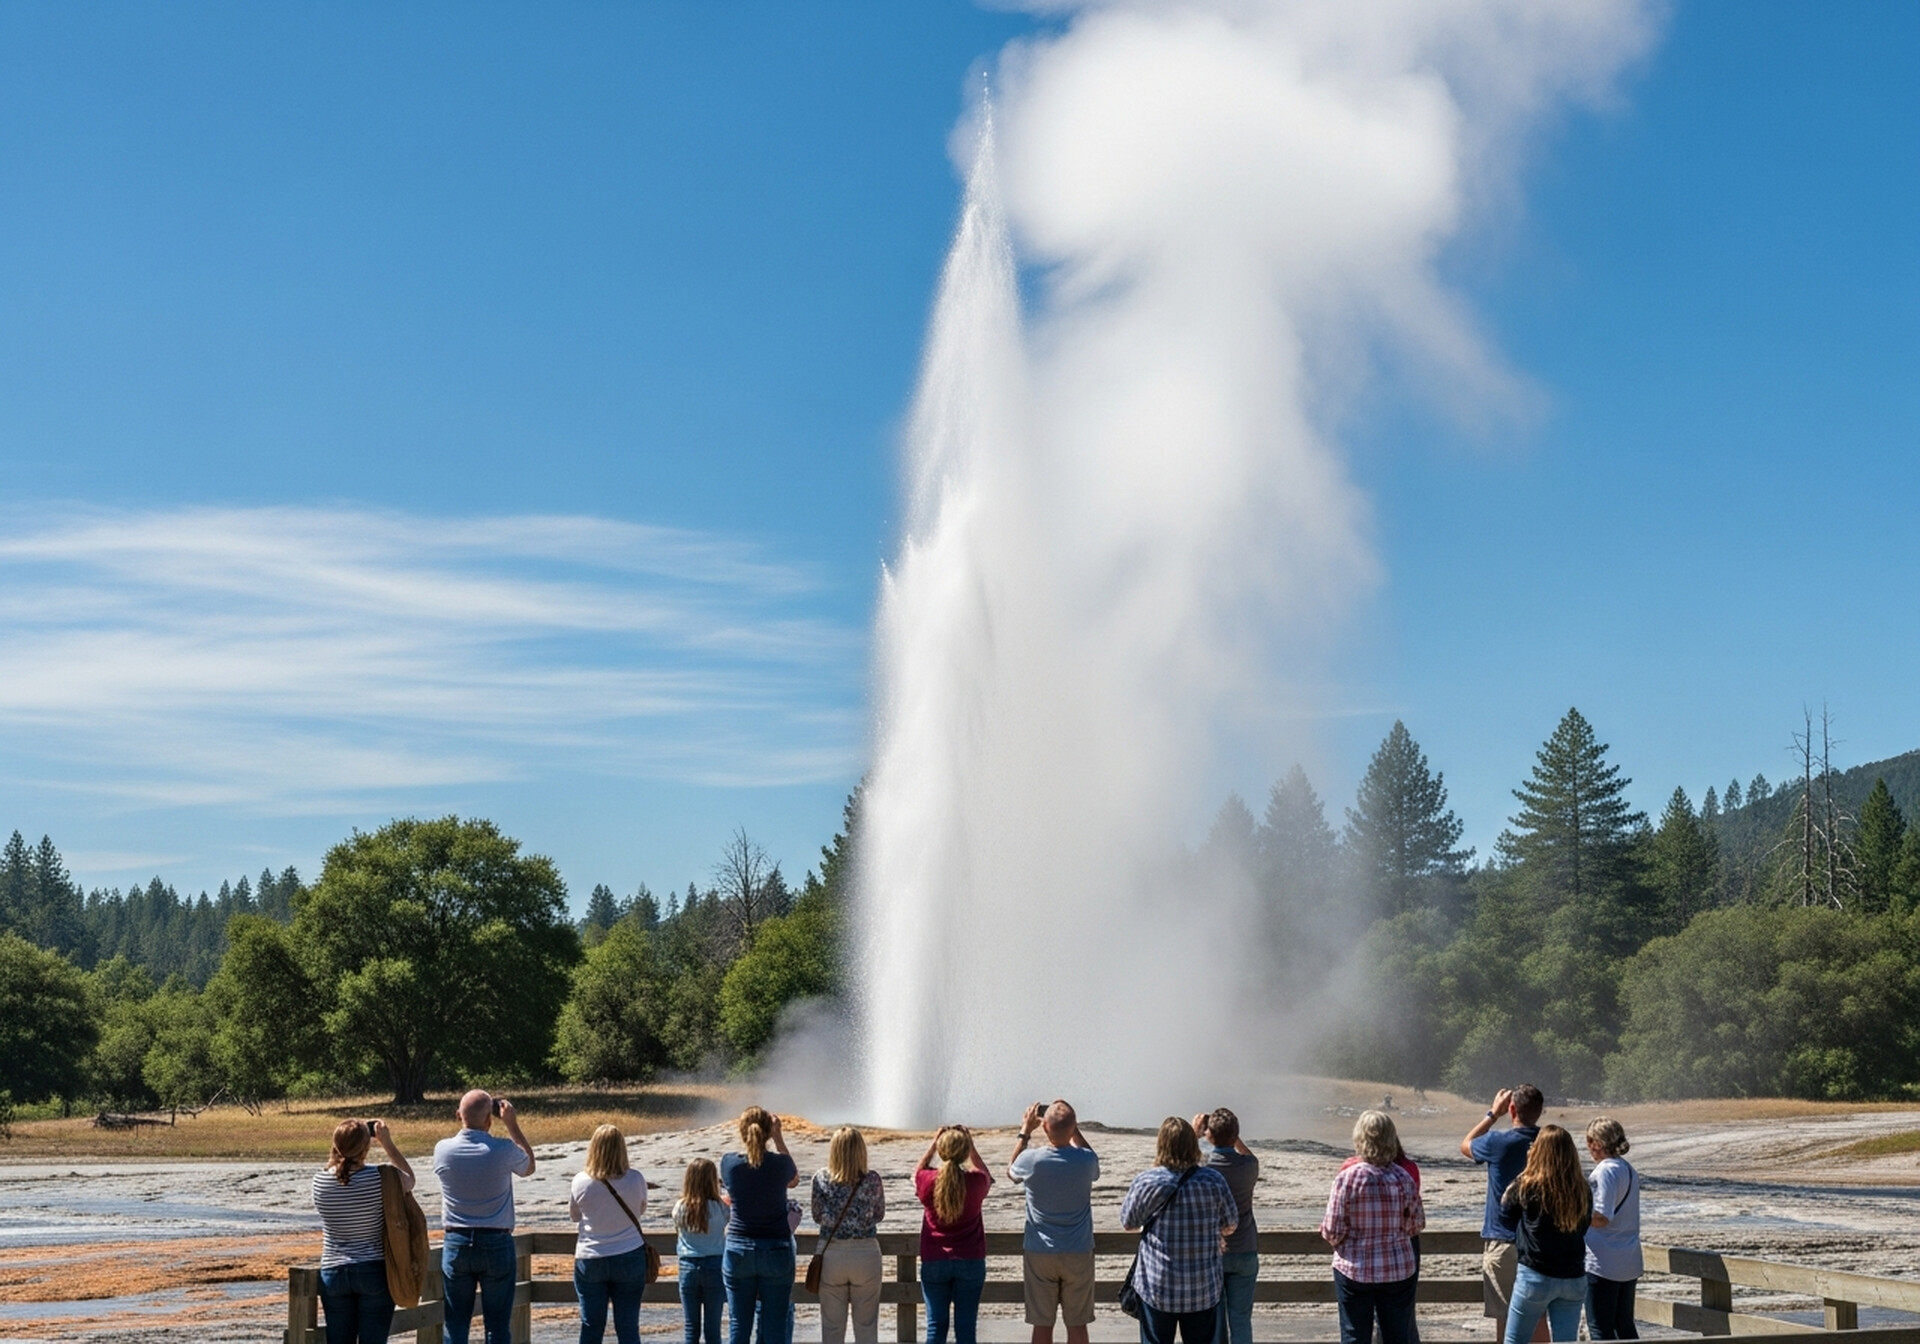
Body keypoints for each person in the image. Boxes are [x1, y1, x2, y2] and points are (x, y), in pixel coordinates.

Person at [1123, 1116, 1239, 1344]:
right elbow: (1230, 1225)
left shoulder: (1147, 1181)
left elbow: (1129, 1223)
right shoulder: (1213, 1180)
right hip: (1202, 1288)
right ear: (1192, 1144)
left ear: (1161, 1144)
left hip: (1158, 1286)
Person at [435, 1089, 537, 1344]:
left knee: (456, 1323)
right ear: (490, 1120)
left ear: (458, 1115)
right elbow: (529, 1167)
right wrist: (512, 1125)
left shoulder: (442, 1150)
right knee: (497, 1324)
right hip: (496, 1241)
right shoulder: (503, 1149)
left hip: (457, 1240)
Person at [1320, 1111, 1424, 1344]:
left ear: (1360, 1138)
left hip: (1354, 1268)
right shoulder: (1403, 1178)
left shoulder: (1347, 1179)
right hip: (1397, 1268)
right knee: (1397, 1336)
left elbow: (1332, 1230)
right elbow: (1416, 1225)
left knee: (1355, 1335)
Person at [312, 1117, 416, 1344]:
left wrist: (342, 1146)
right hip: (372, 1269)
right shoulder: (381, 1177)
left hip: (333, 1270)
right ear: (366, 1147)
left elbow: (336, 1168)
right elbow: (410, 1180)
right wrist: (387, 1143)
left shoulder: (319, 1181)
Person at [1009, 1099, 1101, 1344]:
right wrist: (1073, 1130)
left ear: (1044, 1127)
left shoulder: (1032, 1160)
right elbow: (1094, 1161)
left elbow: (1011, 1172)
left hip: (1040, 1251)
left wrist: (1024, 1132)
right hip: (1078, 1251)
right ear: (1074, 1128)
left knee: (1042, 1325)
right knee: (1077, 1325)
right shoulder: (1085, 1160)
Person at [1460, 1086, 1544, 1341]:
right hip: (1542, 1243)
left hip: (1504, 1240)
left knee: (1506, 1318)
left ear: (1511, 1109)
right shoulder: (1549, 1142)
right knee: (1539, 1317)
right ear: (1540, 1111)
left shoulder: (1498, 1142)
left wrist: (1492, 1114)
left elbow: (1466, 1145)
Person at [1498, 1126, 1593, 1344]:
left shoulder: (1528, 1184)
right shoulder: (1582, 1189)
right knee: (1565, 1341)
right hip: (1573, 1276)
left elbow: (1504, 1212)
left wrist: (1528, 1167)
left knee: (1515, 1340)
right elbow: (1585, 1226)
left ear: (1538, 1151)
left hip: (1536, 1274)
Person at [720, 1106, 800, 1344]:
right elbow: (794, 1179)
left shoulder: (729, 1164)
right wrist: (778, 1137)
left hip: (738, 1250)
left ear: (743, 1131)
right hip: (776, 1249)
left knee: (738, 1325)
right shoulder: (779, 1164)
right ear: (767, 1132)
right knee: (775, 1326)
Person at [569, 1123, 650, 1344]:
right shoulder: (636, 1178)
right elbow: (641, 1209)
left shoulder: (580, 1181)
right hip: (629, 1254)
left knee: (591, 1326)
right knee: (627, 1326)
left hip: (591, 1256)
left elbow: (575, 1216)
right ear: (622, 1149)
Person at [915, 1125, 994, 1344]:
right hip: (970, 1259)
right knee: (966, 1330)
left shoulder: (928, 1181)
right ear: (965, 1151)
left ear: (941, 1151)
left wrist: (933, 1143)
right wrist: (972, 1147)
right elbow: (986, 1175)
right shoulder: (976, 1182)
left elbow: (917, 1172)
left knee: (935, 1328)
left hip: (934, 1259)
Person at [811, 1126, 888, 1344]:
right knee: (866, 1327)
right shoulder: (872, 1179)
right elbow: (879, 1214)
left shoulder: (821, 1178)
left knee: (832, 1328)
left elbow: (817, 1216)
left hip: (832, 1253)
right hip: (865, 1253)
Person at [1193, 1109, 1259, 1344]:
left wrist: (1194, 1133)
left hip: (1212, 1252)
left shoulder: (1202, 1169)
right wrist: (1233, 1137)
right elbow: (1247, 1154)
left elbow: (1176, 1164)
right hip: (1246, 1249)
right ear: (1235, 1135)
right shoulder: (1249, 1166)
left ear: (1209, 1135)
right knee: (1241, 1318)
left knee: (1215, 1318)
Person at [1582, 1119, 1641, 1341]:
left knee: (1600, 1328)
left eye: (1589, 1140)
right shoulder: (1627, 1169)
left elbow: (1601, 1218)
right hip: (1628, 1259)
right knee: (1624, 1326)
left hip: (1603, 1261)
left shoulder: (1604, 1172)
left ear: (1596, 1143)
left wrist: (1573, 1216)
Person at [675, 1158, 731, 1344]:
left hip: (688, 1266)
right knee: (712, 1329)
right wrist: (724, 1188)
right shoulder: (720, 1208)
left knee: (691, 1327)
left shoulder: (680, 1207)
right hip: (715, 1265)